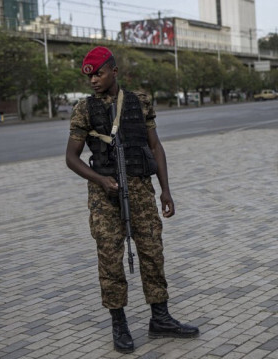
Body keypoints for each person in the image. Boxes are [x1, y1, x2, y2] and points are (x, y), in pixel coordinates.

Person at [65, 46, 199, 354]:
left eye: (99, 74)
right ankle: (119, 323)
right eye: (89, 76)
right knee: (110, 258)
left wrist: (166, 190)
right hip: (104, 195)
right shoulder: (84, 110)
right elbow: (71, 158)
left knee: (152, 251)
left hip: (141, 189)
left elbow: (156, 147)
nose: (93, 81)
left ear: (114, 71)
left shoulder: (140, 102)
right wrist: (99, 180)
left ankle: (161, 318)